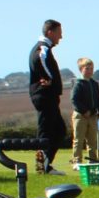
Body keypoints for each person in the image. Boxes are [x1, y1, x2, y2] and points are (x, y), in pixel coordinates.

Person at [28, 19, 66, 175]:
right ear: (50, 32)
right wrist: (49, 78)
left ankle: (46, 164)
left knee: (59, 130)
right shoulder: (42, 48)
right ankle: (41, 167)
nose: (61, 37)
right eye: (59, 33)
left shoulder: (46, 48)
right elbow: (40, 60)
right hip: (43, 96)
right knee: (46, 132)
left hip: (48, 96)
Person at [70, 57, 99, 168]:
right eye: (87, 68)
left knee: (92, 140)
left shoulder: (94, 83)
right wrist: (84, 111)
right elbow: (74, 100)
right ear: (81, 69)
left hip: (93, 116)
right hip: (80, 116)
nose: (90, 71)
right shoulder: (78, 83)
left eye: (91, 68)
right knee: (78, 140)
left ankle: (93, 160)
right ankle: (77, 161)